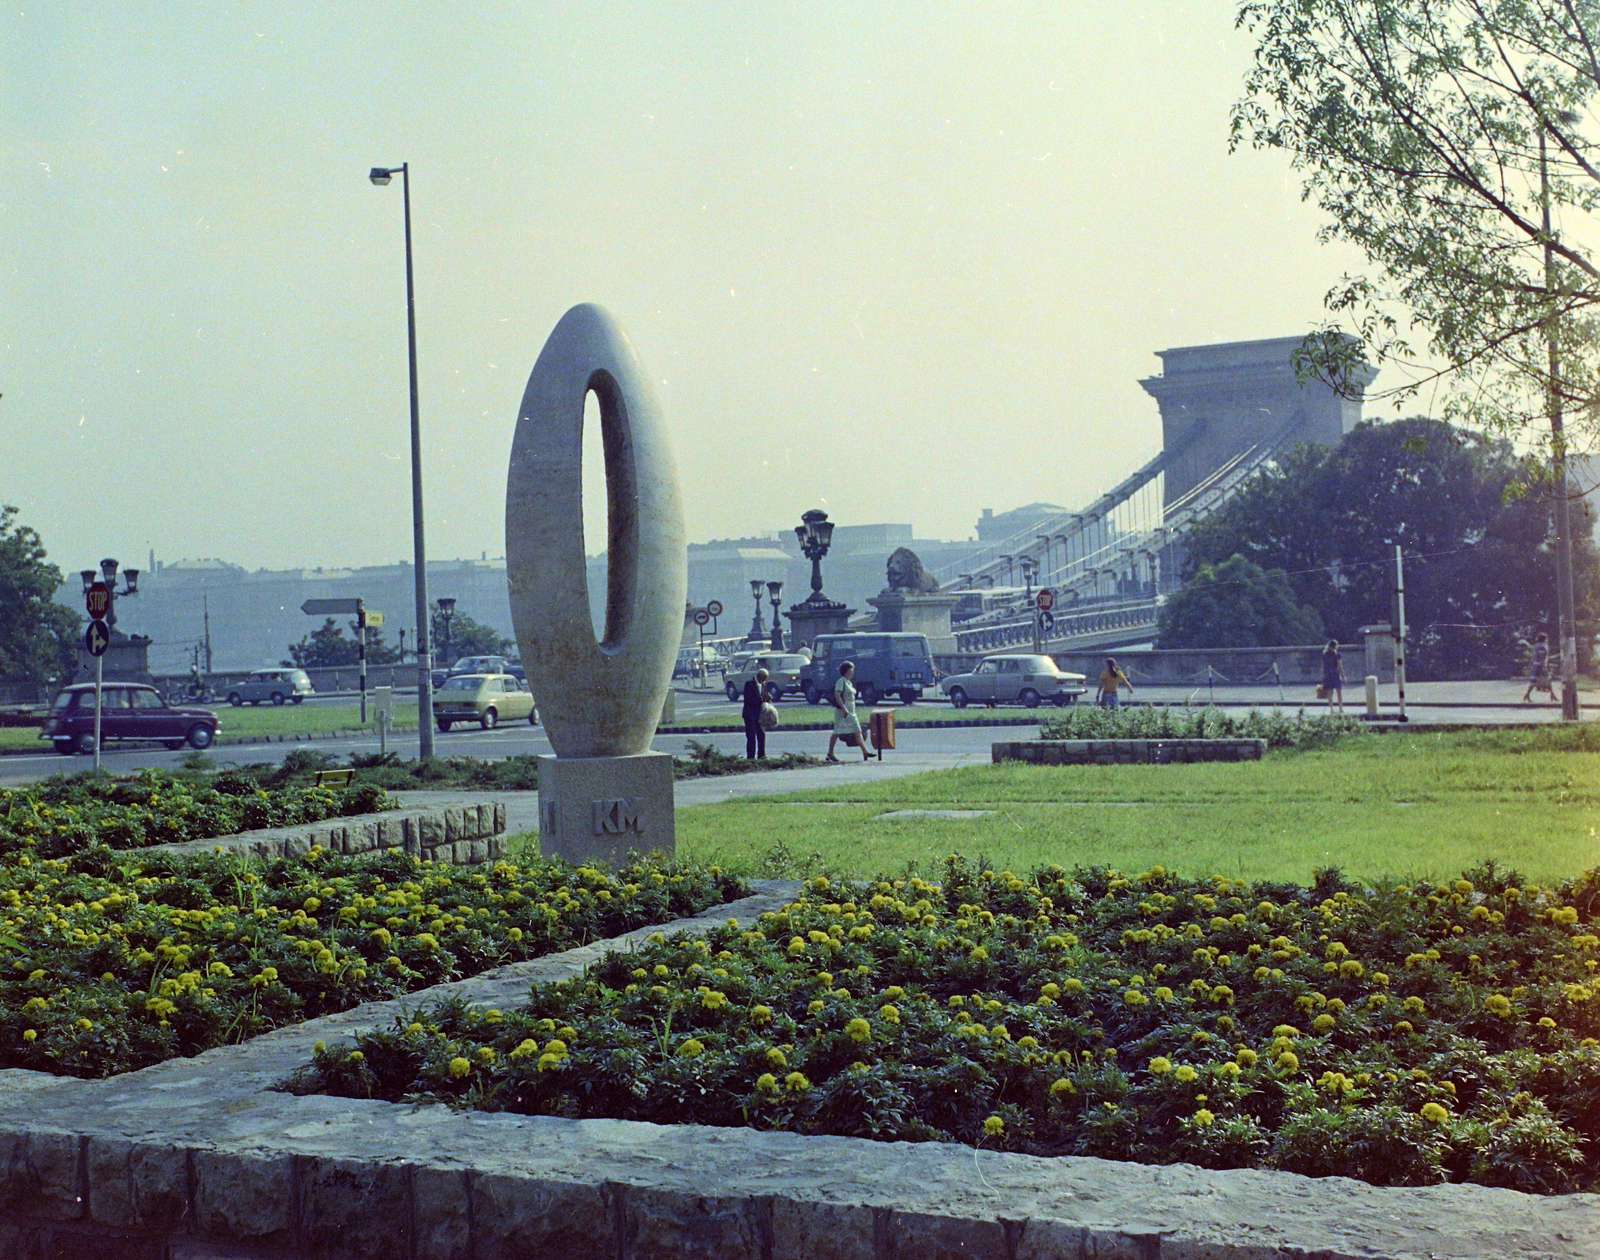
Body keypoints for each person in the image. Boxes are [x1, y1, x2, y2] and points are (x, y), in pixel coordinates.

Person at [826, 660, 874, 763]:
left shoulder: (849, 682)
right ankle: (830, 753)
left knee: (857, 730)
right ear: (845, 672)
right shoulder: (841, 681)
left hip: (851, 711)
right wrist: (843, 708)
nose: (852, 673)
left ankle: (865, 751)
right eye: (850, 671)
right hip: (843, 712)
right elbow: (837, 694)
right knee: (837, 732)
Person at [742, 667, 769, 760]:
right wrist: (761, 699)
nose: (764, 681)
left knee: (761, 735)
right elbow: (748, 700)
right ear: (759, 676)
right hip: (750, 715)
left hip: (759, 715)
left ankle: (761, 755)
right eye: (763, 679)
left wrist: (767, 699)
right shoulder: (749, 684)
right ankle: (750, 756)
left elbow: (764, 698)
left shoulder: (764, 685)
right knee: (751, 736)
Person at [1523, 631, 1555, 703]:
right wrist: (1543, 666)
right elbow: (1541, 656)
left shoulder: (1536, 645)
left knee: (1538, 680)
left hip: (1536, 664)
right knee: (1545, 679)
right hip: (1540, 665)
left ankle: (1552, 695)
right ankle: (1527, 694)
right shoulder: (1542, 646)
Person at [1321, 640, 1345, 713]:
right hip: (1335, 674)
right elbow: (1340, 666)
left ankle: (1331, 709)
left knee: (1329, 693)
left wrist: (1322, 676)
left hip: (1327, 674)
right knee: (1339, 692)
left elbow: (1322, 666)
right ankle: (1340, 708)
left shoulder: (1324, 655)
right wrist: (1343, 676)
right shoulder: (1337, 655)